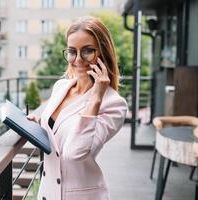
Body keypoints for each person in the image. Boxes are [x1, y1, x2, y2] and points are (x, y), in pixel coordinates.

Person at [27, 16, 128, 200]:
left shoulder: (114, 104)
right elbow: (58, 132)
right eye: (72, 51)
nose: (78, 59)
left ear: (103, 53)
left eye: (88, 51)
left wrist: (96, 96)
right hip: (47, 192)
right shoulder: (61, 87)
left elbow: (75, 153)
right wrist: (39, 125)